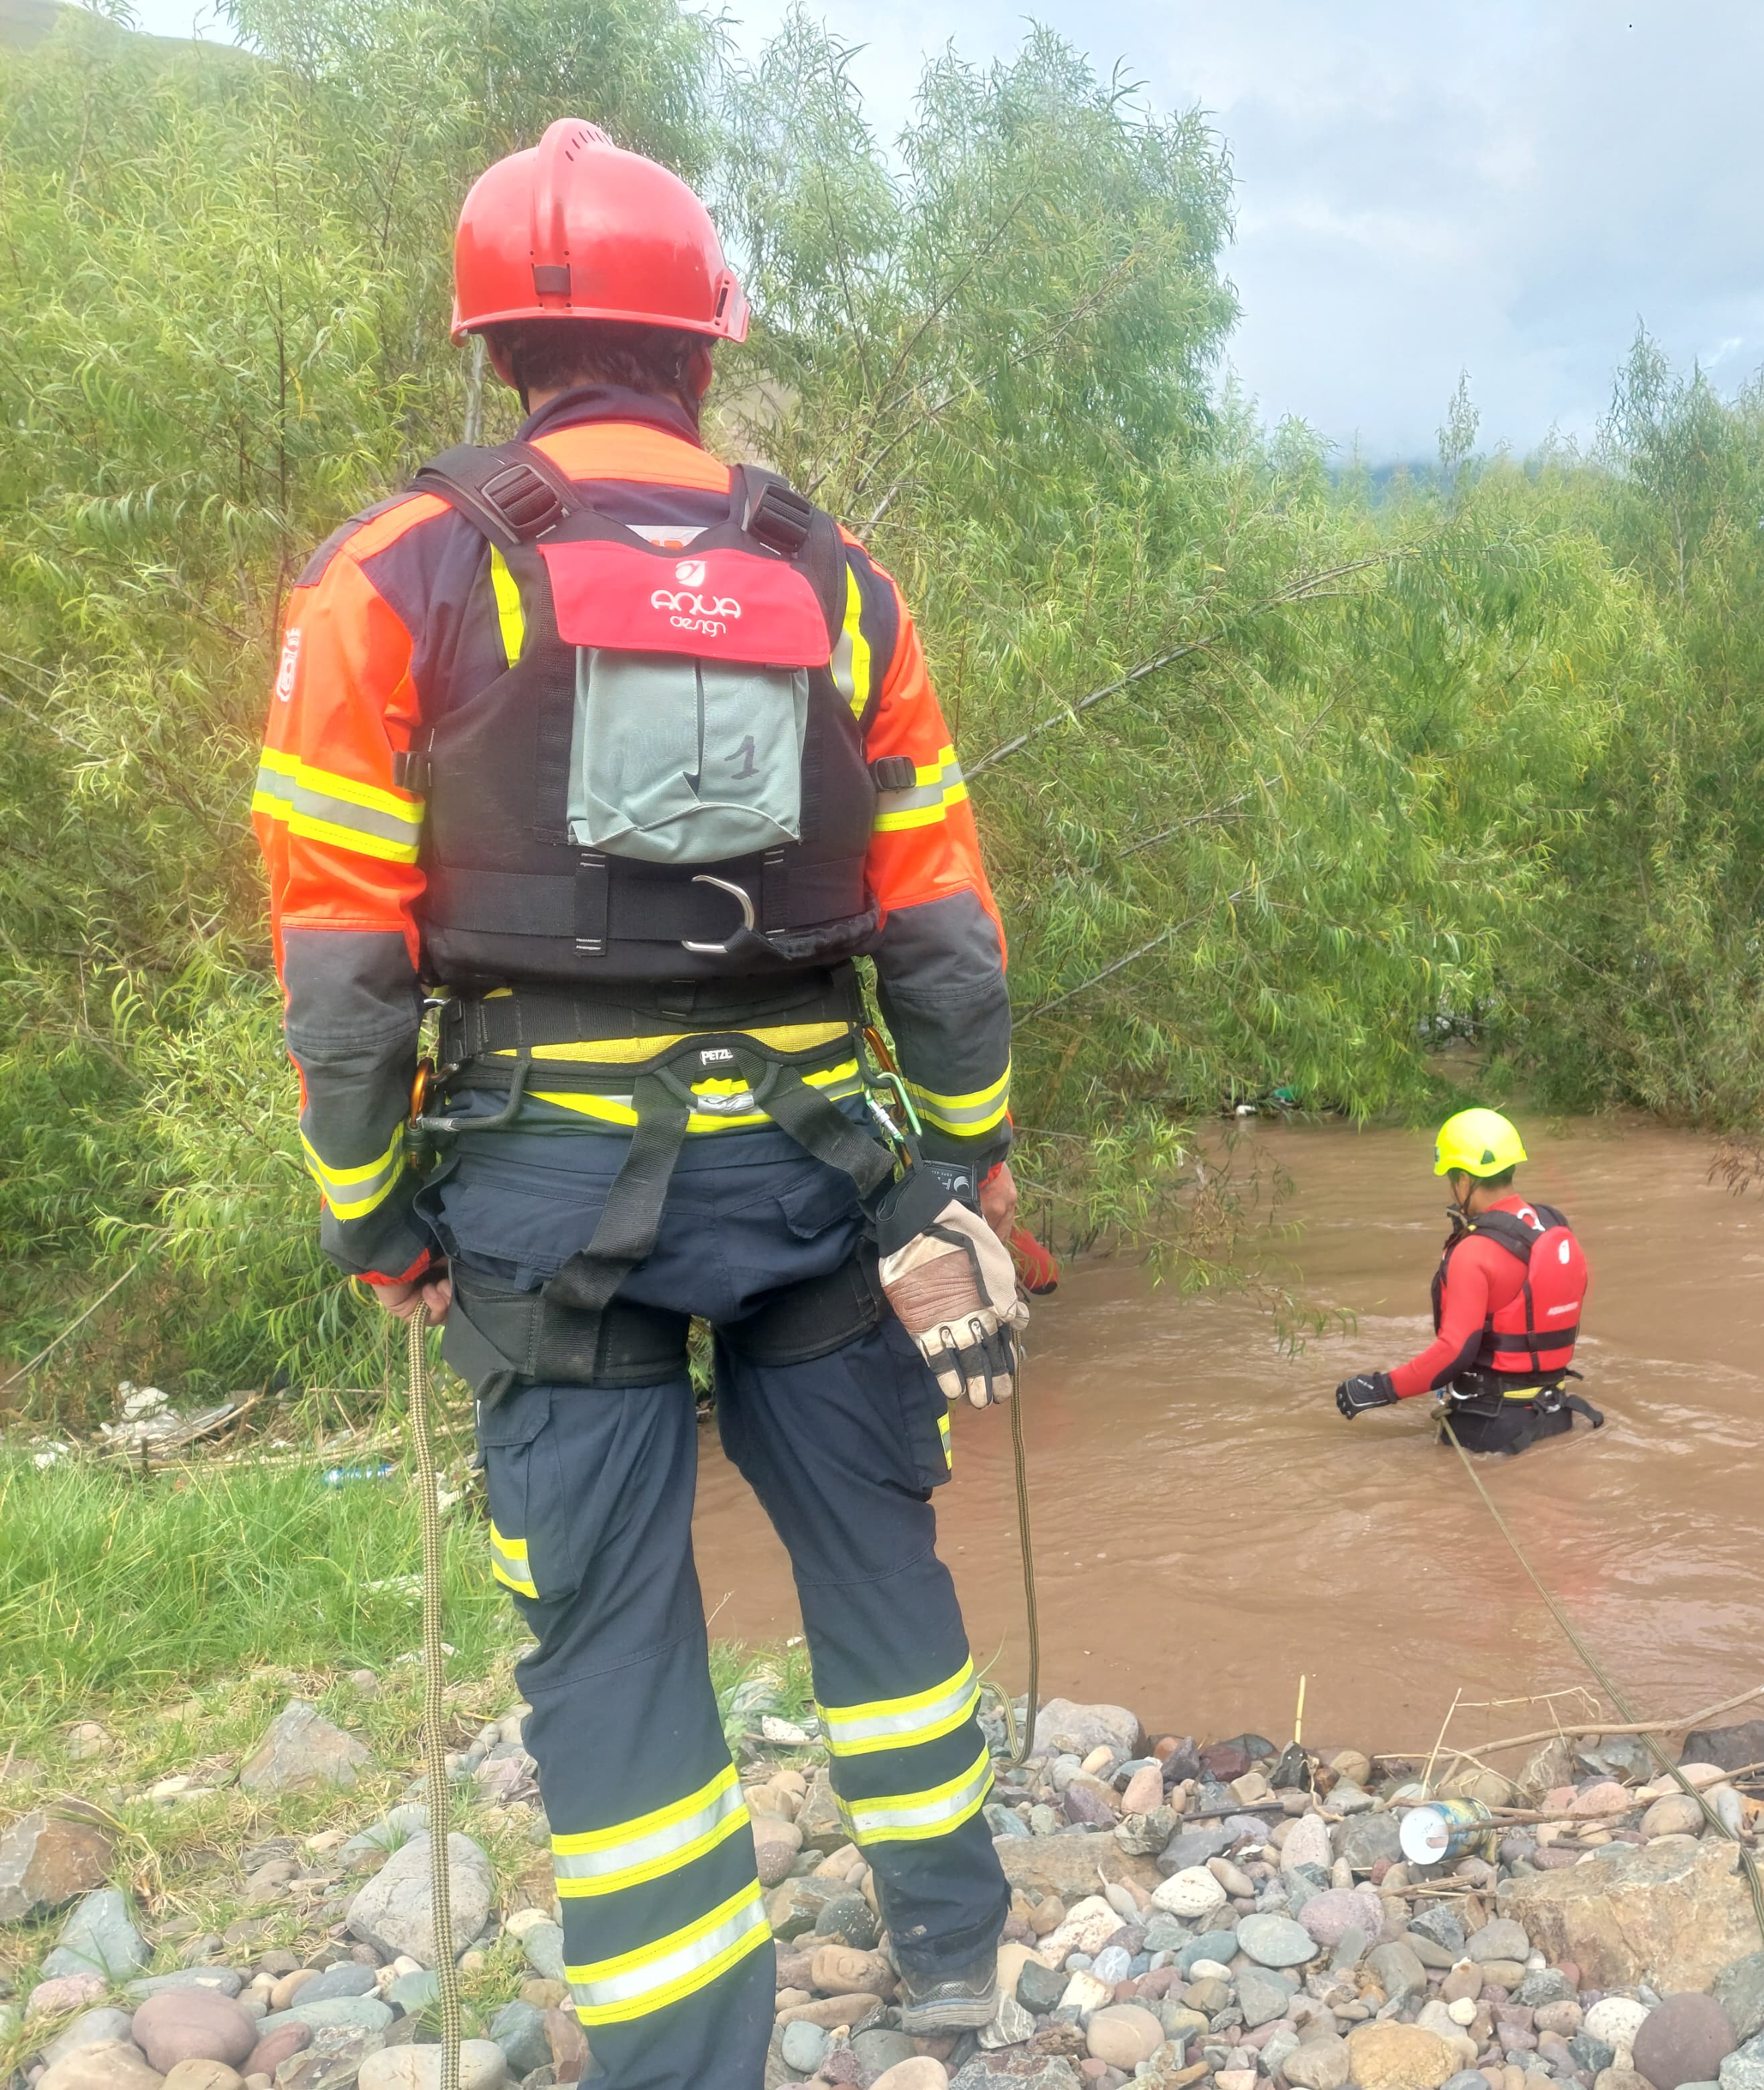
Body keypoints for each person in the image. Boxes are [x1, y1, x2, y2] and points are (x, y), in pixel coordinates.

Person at [253, 119, 1017, 2088]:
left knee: (609, 1644)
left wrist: (373, 1214)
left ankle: (689, 2056)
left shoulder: (396, 573)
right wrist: (964, 1160)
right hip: (818, 1171)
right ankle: (952, 1955)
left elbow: (344, 967)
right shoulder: (838, 582)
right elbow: (942, 929)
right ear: (702, 344)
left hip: (538, 1203)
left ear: (496, 343)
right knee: (876, 1569)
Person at [1333, 1109, 1599, 1454]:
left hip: (1489, 1428)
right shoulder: (1552, 1222)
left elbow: (1453, 1353)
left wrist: (1380, 1389)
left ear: (1462, 1179)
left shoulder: (1474, 1250)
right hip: (1556, 1414)